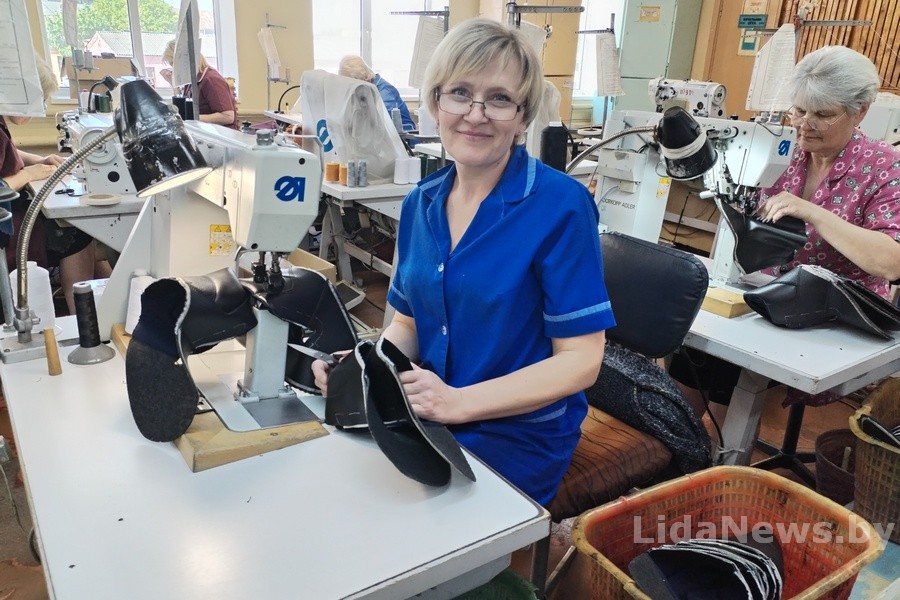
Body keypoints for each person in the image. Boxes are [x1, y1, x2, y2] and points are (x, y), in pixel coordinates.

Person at [315, 19, 615, 506]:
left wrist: (458, 402)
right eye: (459, 93)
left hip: (516, 431)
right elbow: (408, 324)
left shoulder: (560, 206)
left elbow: (581, 361)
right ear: (436, 104)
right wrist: (368, 365)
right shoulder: (421, 202)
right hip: (430, 409)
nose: (476, 114)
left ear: (522, 117)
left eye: (499, 98)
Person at [670, 45, 900, 417]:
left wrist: (813, 213)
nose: (804, 124)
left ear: (860, 111)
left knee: (732, 371)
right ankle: (678, 436)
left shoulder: (885, 167)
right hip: (768, 291)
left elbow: (891, 262)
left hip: (835, 314)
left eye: (822, 114)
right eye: (799, 110)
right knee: (696, 348)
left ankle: (719, 447)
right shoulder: (781, 148)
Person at [1, 59, 112, 316]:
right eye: (39, 100)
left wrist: (39, 160)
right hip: (8, 228)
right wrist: (27, 174)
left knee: (84, 234)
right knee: (78, 233)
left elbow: (10, 151)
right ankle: (81, 312)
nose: (41, 107)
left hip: (14, 211)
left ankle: (109, 304)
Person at [161, 40, 238, 129]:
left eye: (174, 64)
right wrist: (173, 83)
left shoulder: (211, 79)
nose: (174, 69)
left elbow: (228, 117)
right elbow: (183, 108)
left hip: (221, 134)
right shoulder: (191, 80)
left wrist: (191, 117)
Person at [338, 55, 415, 132]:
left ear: (362, 78)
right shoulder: (365, 88)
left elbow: (382, 121)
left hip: (402, 136)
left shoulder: (385, 91)